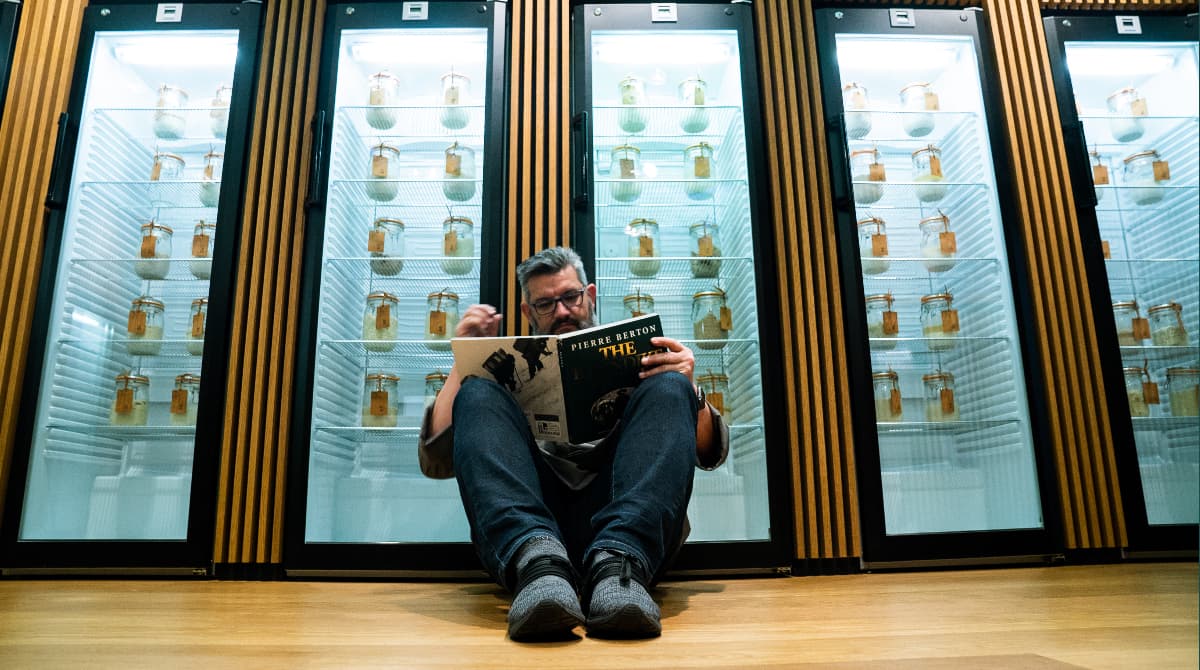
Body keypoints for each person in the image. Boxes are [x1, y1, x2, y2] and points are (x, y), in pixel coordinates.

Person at [418, 246, 728, 640]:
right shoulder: (508, 367)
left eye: (570, 297)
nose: (562, 311)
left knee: (667, 384)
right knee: (478, 391)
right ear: (528, 313)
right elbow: (435, 460)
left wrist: (688, 387)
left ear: (591, 296)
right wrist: (463, 362)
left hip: (628, 520)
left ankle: (620, 566)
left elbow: (710, 452)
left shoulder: (641, 355)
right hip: (532, 524)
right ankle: (539, 564)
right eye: (545, 304)